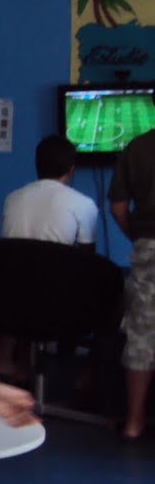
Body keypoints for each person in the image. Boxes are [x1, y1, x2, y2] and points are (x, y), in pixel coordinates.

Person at [109, 125, 155, 438]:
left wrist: (138, 238)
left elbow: (118, 208)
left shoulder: (137, 147)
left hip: (148, 246)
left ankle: (134, 422)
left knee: (141, 335)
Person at [0, 134, 97, 246]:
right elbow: (87, 254)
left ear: (37, 165)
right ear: (71, 170)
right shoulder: (84, 204)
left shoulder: (11, 199)